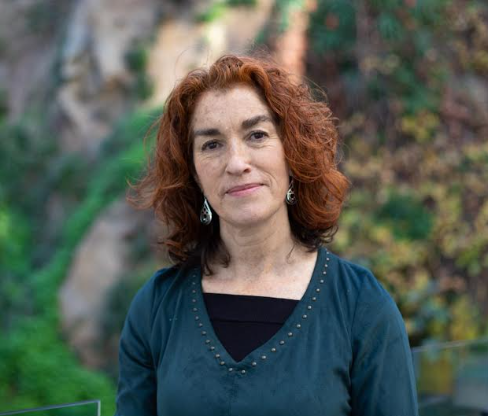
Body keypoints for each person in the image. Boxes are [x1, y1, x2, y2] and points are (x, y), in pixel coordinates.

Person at [117, 54, 418, 416]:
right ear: (194, 173)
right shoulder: (156, 307)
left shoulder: (361, 307)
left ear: (292, 152)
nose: (236, 163)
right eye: (212, 144)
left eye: (256, 135)